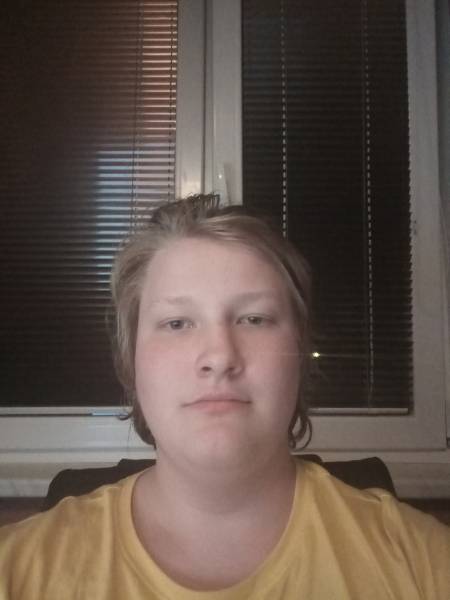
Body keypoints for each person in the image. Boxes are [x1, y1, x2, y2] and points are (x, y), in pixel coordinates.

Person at [0, 195, 449, 599]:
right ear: (130, 361)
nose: (219, 357)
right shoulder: (16, 573)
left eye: (254, 319)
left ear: (300, 355)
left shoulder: (426, 566)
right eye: (177, 323)